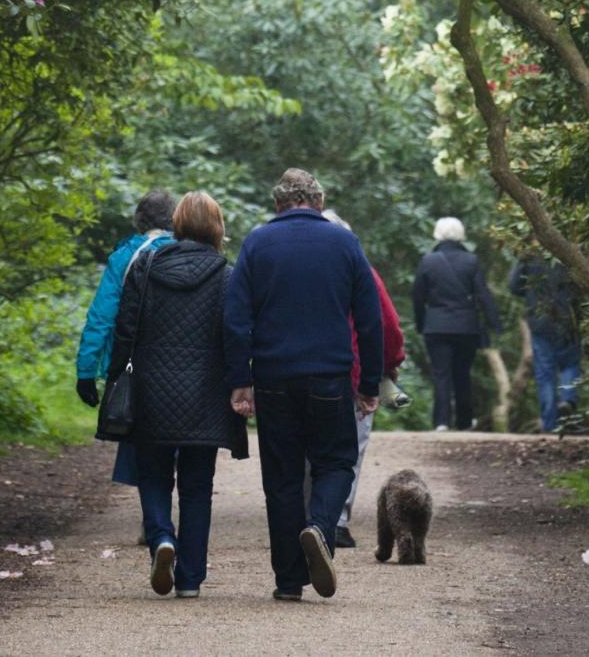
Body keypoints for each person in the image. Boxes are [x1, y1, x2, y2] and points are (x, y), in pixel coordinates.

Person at [224, 167, 383, 602]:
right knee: (335, 463)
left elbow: (236, 319)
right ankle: (320, 527)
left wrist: (240, 381)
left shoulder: (257, 243)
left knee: (282, 477)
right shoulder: (344, 243)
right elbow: (370, 321)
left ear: (278, 205)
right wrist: (369, 383)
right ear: (319, 202)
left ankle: (288, 581)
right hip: (329, 376)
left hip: (274, 377)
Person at [102, 191, 247, 598]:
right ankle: (190, 580)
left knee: (153, 476)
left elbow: (125, 330)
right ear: (217, 228)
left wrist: (116, 382)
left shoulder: (146, 268)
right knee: (198, 486)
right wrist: (242, 384)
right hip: (205, 395)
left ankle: (162, 539)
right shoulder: (227, 276)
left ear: (178, 223)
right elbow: (237, 337)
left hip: (150, 389)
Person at [75, 189, 176, 495]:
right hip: (180, 365)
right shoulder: (187, 252)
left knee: (140, 442)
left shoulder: (123, 257)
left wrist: (86, 371)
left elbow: (101, 318)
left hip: (133, 365)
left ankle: (154, 520)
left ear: (139, 221)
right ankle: (170, 514)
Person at [321, 209, 406, 550]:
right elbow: (386, 324)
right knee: (349, 450)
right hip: (354, 374)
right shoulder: (363, 271)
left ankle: (307, 517)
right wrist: (389, 364)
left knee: (308, 450)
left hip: (301, 371)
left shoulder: (293, 273)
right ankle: (336, 521)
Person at [413, 215, 501, 431]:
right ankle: (464, 421)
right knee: (462, 372)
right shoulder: (471, 260)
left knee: (441, 374)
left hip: (436, 326)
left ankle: (441, 422)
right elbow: (483, 294)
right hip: (466, 326)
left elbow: (418, 297)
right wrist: (494, 323)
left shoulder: (428, 261)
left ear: (437, 234)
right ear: (461, 234)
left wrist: (421, 324)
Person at [510, 249, 582, 434]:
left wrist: (532, 293)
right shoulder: (570, 250)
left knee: (545, 373)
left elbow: (514, 286)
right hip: (568, 319)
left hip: (540, 321)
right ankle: (567, 400)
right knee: (570, 364)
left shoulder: (530, 255)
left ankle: (550, 425)